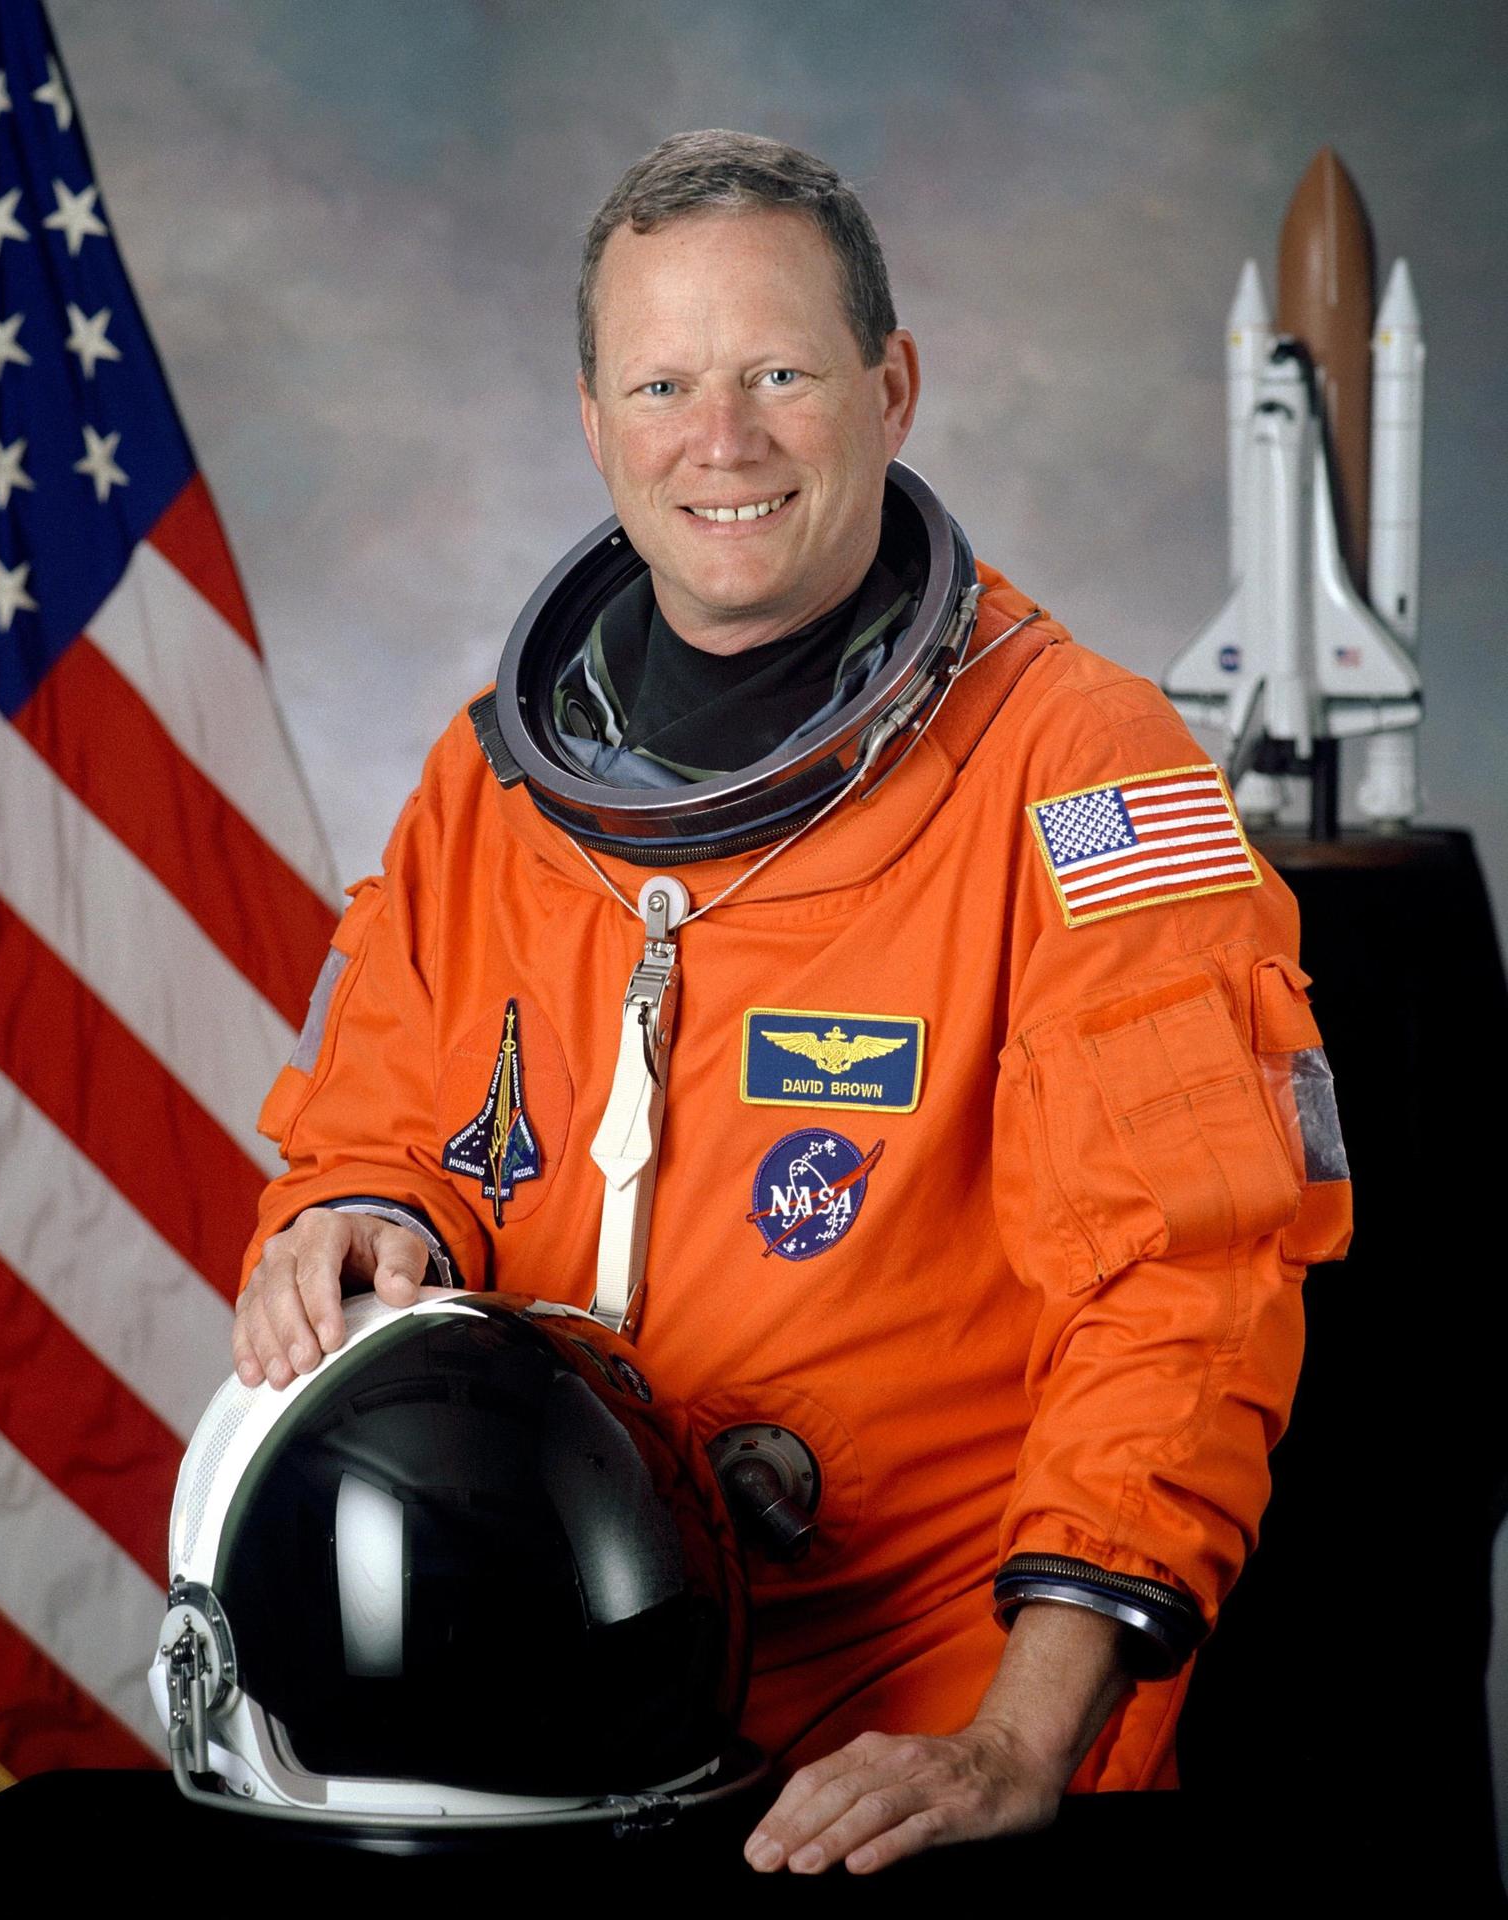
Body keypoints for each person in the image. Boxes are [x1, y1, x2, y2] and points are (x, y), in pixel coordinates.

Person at [231, 130, 1351, 1875]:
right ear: (594, 424)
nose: (721, 440)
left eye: (779, 374)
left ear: (893, 388)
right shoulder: (493, 788)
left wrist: (1016, 1738)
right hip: (542, 1712)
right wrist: (358, 1210)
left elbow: (1184, 1283)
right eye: (662, 382)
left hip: (917, 1732)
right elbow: (387, 1120)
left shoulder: (1083, 772)